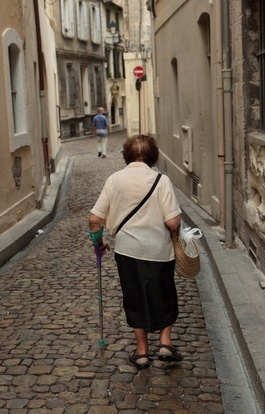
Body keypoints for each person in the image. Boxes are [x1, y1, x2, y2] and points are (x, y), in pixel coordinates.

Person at [88, 135, 182, 369]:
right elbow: (172, 222)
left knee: (134, 297)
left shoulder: (114, 180)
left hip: (128, 252)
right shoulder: (161, 181)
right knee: (164, 295)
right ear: (153, 156)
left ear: (126, 156)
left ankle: (141, 352)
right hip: (158, 252)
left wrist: (97, 243)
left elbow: (94, 219)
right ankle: (165, 344)